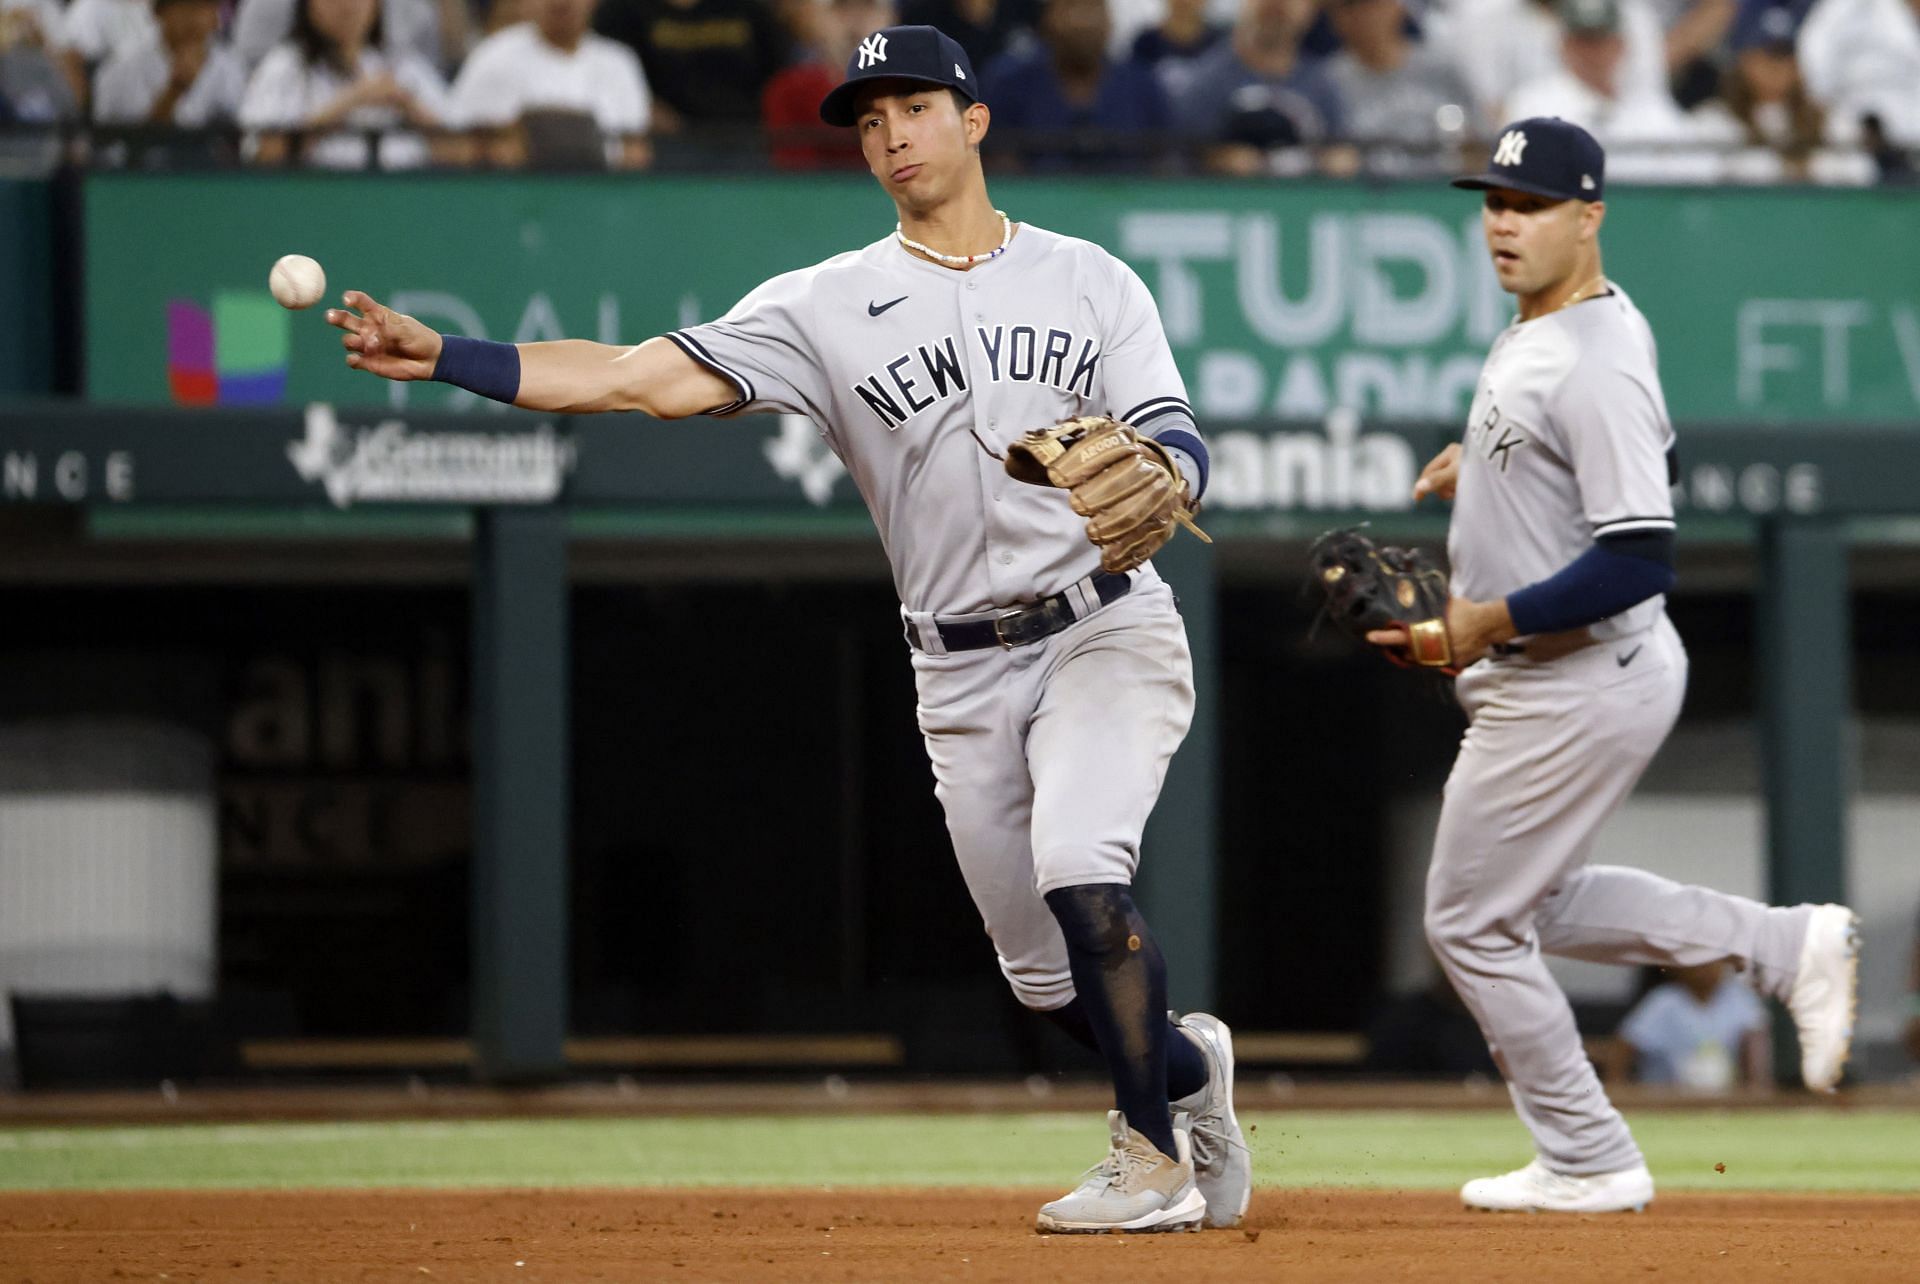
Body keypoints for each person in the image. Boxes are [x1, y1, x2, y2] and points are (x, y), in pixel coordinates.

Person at [323, 22, 1249, 1236]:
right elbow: (632, 376)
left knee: (1086, 869)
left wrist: (1173, 481)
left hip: (1103, 630)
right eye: (867, 121)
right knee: (1047, 983)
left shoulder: (1091, 279)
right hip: (960, 669)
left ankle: (1149, 1158)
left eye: (911, 107)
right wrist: (449, 354)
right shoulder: (823, 306)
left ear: (974, 119)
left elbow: (1175, 434)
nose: (889, 135)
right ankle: (1189, 1077)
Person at [1375, 116, 1861, 1214]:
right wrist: (1498, 479)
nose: (1504, 223)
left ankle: (1589, 1152)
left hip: (1577, 674)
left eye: (1532, 205)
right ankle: (1785, 945)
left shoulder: (1588, 352)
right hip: (1569, 673)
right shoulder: (1562, 323)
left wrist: (1483, 621)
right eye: (1494, 202)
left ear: (1588, 217)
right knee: (1524, 905)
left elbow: (1641, 556)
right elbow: (1654, 453)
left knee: (1467, 922)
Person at [238, 0, 452, 169]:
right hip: (315, 203)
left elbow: (463, 152)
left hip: (403, 203)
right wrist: (351, 100)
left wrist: (409, 105)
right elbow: (263, 155)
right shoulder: (284, 67)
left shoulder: (404, 66)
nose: (347, 5)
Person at [448, 0, 652, 169]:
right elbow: (456, 144)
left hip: (602, 198)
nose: (561, 2)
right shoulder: (493, 56)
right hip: (514, 198)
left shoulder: (619, 62)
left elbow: (636, 149)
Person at [979, 0, 1172, 171]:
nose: (1084, 22)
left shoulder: (1142, 85)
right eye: (1072, 7)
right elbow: (994, 162)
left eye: (1094, 8)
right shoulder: (1009, 82)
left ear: (1109, 20)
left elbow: (1166, 161)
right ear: (1048, 18)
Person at [1170, 0, 1343, 173]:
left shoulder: (1323, 84)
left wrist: (1339, 161)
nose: (1279, 5)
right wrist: (1217, 158)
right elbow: (1179, 158)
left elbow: (1340, 150)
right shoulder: (1205, 82)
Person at [1604, 962, 1770, 1090]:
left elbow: (1756, 1053)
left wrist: (1755, 1092)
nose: (1706, 968)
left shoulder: (1740, 999)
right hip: (1667, 1100)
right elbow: (1623, 1050)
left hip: (1723, 1100)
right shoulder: (1664, 1001)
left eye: (1714, 961)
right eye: (1699, 962)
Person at [92, 0, 248, 126]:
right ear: (158, 12)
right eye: (186, 7)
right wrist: (174, 91)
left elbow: (242, 140)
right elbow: (130, 147)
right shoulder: (119, 71)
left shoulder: (231, 66)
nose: (196, 19)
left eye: (205, 8)